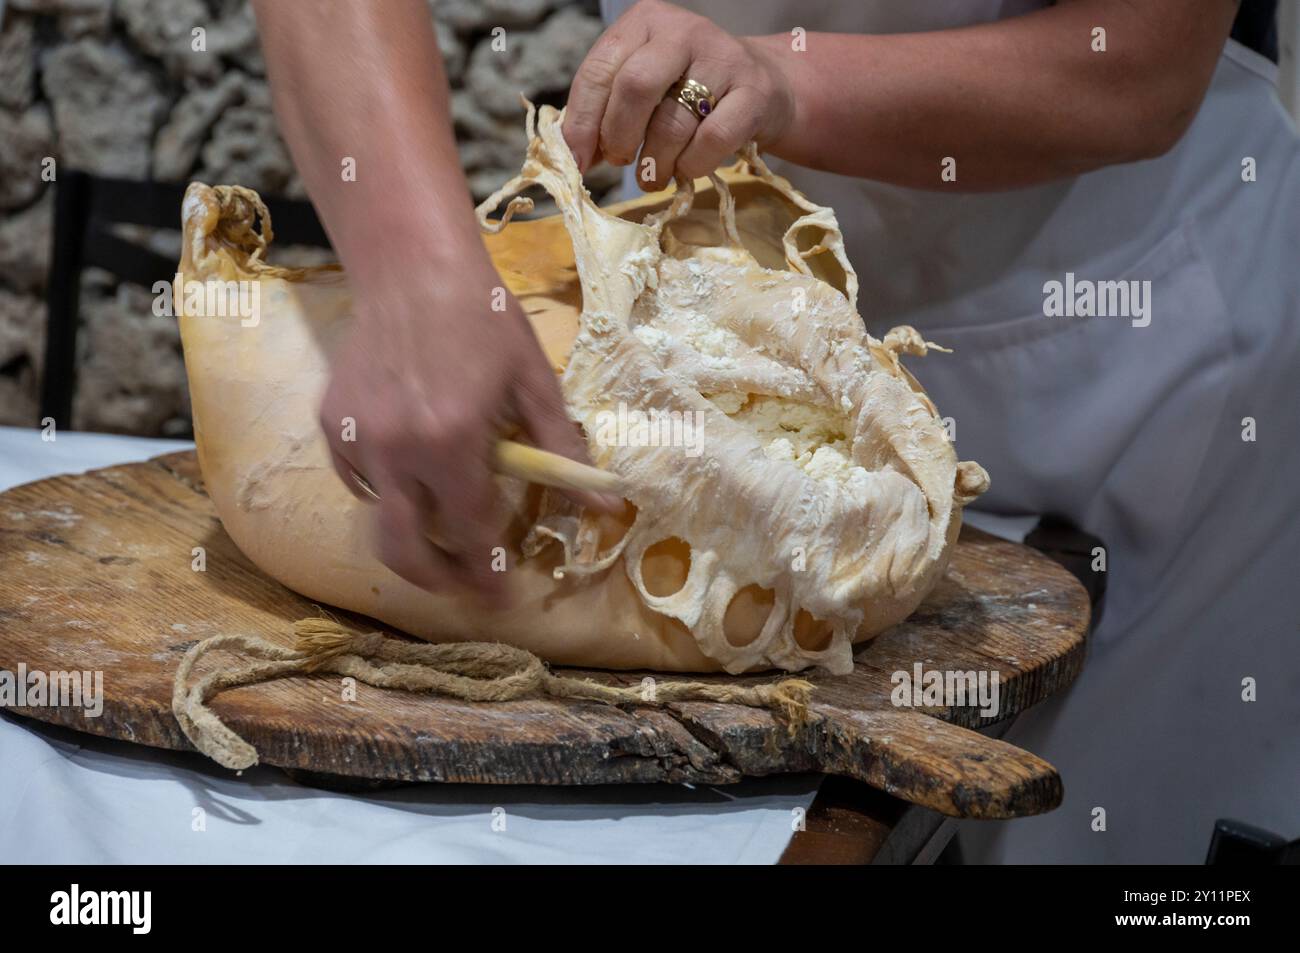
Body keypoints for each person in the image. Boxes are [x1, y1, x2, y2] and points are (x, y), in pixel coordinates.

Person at [252, 0, 1300, 862]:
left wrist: (782, 82)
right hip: (669, 307)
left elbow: (1142, 64)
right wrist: (415, 273)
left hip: (1126, 340)